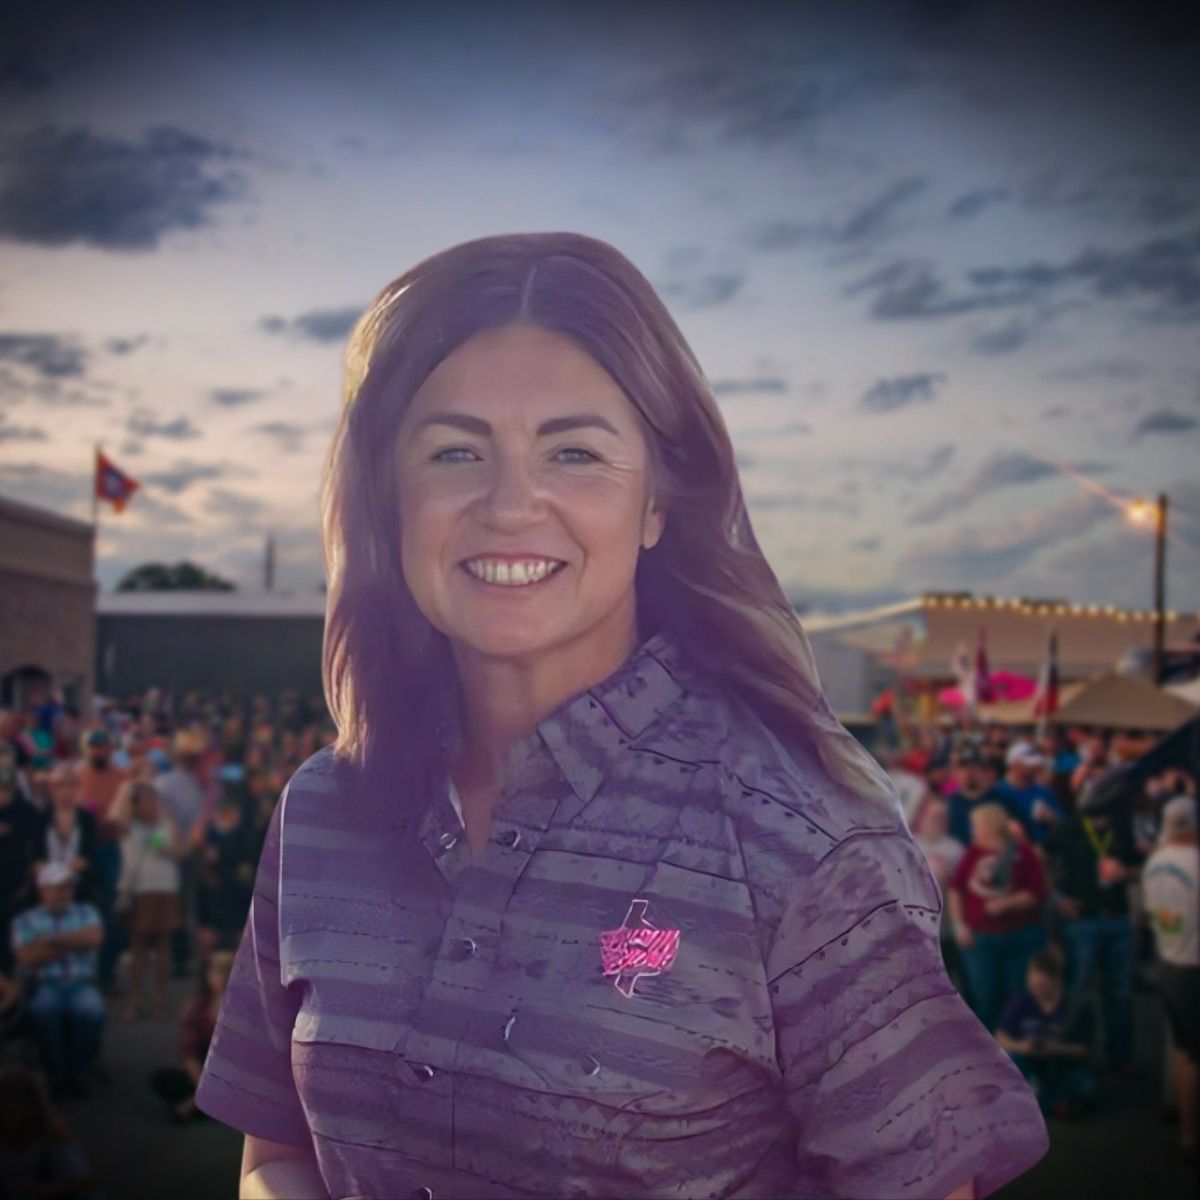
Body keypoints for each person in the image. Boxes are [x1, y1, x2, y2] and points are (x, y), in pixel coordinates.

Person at [194, 232, 1047, 1200]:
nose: (512, 504)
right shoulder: (321, 812)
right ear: (389, 499)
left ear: (656, 504)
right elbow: (276, 1154)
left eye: (574, 451)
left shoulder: (797, 834)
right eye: (456, 450)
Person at [1043, 776, 1143, 1078]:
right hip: (1083, 920)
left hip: (1118, 919)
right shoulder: (1070, 826)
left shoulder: (1122, 827)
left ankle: (1119, 1055)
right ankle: (1072, 1056)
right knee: (1079, 989)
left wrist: (1126, 872)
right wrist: (1057, 898)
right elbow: (1041, 856)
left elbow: (1141, 867)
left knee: (1121, 992)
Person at [947, 803, 1050, 1032]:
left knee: (1017, 993)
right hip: (981, 939)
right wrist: (959, 926)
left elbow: (1039, 892)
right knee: (985, 995)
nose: (973, 831)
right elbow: (956, 889)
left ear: (990, 826)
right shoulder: (972, 854)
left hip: (1020, 936)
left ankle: (1014, 1047)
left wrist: (1008, 903)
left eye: (976, 826)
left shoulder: (1023, 853)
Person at [10, 864, 105, 1097]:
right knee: (43, 1011)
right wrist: (73, 943)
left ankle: (80, 1070)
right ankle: (55, 1075)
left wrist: (49, 941)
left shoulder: (86, 912)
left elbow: (93, 939)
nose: (65, 892)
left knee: (91, 1010)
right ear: (43, 890)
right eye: (59, 887)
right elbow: (26, 957)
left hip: (80, 984)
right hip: (45, 985)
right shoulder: (26, 919)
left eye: (68, 887)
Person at [1141, 795, 1198, 1163]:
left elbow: (1150, 911)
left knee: (1181, 1049)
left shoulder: (1155, 862)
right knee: (1193, 1054)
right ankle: (1191, 1134)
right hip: (1193, 965)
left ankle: (1185, 1125)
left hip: (1169, 959)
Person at [994, 951, 1098, 1120]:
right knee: (1010, 1061)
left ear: (1057, 981)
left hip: (1061, 1066)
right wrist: (1023, 1046)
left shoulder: (1077, 1007)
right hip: (1029, 1063)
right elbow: (1000, 1036)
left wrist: (1056, 1049)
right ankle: (1054, 1102)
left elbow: (1084, 1049)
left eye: (1042, 987)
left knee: (1085, 1086)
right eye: (1032, 985)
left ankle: (1040, 1100)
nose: (1036, 991)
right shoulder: (1020, 1001)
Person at [116, 782, 184, 1020]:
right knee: (139, 947)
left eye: (154, 800)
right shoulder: (129, 826)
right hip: (140, 889)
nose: (151, 806)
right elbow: (115, 815)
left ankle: (160, 1002)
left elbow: (180, 852)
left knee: (164, 946)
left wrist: (168, 849)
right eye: (146, 801)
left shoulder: (167, 824)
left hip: (165, 887)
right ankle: (135, 1001)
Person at [149, 950, 234, 1123]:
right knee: (161, 1079)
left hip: (237, 1074)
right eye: (213, 971)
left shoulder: (247, 1009)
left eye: (221, 971)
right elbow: (189, 1055)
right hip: (204, 1071)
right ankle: (213, 1103)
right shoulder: (195, 1007)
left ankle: (197, 1105)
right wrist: (204, 1088)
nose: (215, 976)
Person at [75, 728, 129, 992]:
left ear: (110, 749)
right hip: (82, 849)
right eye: (93, 746)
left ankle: (106, 973)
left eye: (103, 746)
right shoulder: (77, 775)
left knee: (110, 911)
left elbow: (122, 814)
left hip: (110, 848)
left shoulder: (121, 776)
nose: (98, 751)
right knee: (83, 909)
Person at [154, 729, 210, 977]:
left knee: (190, 907)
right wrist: (161, 849)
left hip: (191, 854)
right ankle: (178, 958)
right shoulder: (165, 783)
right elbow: (155, 823)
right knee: (179, 908)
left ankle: (189, 956)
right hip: (173, 856)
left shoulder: (200, 783)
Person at [0, 1064, 96, 1200]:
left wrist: (38, 1190)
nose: (4, 1119)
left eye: (12, 1113)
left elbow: (83, 1181)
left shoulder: (52, 1129)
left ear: (31, 1109)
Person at [34, 765, 99, 907]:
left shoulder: (86, 819)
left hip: (80, 889)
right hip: (46, 891)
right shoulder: (39, 819)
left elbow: (89, 854)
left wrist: (66, 873)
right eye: (61, 785)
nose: (67, 790)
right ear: (51, 788)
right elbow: (35, 856)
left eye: (72, 784)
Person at [0, 765, 42, 978]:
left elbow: (34, 845)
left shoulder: (26, 809)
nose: (2, 792)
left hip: (17, 886)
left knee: (14, 938)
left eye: (5, 787)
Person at [992, 740, 1062, 848]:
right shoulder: (997, 792)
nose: (1035, 767)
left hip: (1043, 852)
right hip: (1009, 853)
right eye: (1029, 764)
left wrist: (1052, 818)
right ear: (1014, 764)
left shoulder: (1044, 792)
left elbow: (1063, 825)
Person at [946, 743, 1005, 848]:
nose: (968, 772)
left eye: (973, 766)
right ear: (955, 772)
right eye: (962, 767)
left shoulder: (998, 800)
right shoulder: (950, 803)